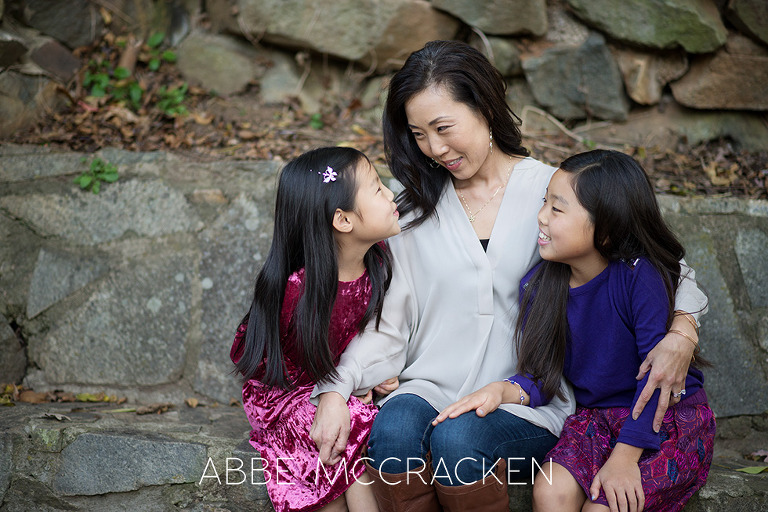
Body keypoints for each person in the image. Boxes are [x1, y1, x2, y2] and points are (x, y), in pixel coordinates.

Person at [310, 40, 708, 511]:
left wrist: (682, 332)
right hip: (427, 387)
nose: (434, 149)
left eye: (443, 128)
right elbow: (388, 325)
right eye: (418, 134)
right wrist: (336, 388)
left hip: (528, 398)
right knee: (392, 432)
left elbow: (660, 266)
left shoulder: (552, 192)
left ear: (483, 106)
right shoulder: (406, 209)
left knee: (458, 443)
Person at [436, 150, 715, 512]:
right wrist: (502, 390)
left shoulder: (638, 277)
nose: (541, 217)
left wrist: (626, 457)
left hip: (664, 419)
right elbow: (543, 376)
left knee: (604, 506)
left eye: (557, 209)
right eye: (544, 203)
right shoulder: (540, 287)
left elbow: (656, 379)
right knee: (549, 493)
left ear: (607, 230)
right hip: (595, 421)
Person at [230, 146, 402, 512]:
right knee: (354, 422)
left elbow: (365, 340)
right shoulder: (298, 291)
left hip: (336, 385)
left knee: (371, 420)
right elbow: (262, 363)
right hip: (282, 397)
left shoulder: (379, 261)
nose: (390, 193)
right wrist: (344, 388)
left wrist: (367, 378)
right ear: (343, 221)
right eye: (376, 188)